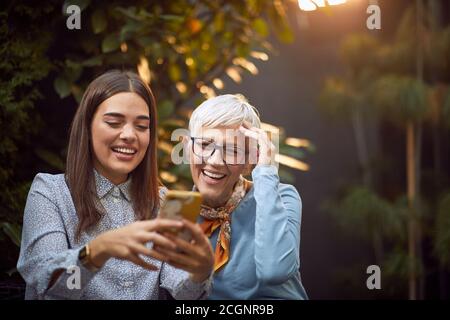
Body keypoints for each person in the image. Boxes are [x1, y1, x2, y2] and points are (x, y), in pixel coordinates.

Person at [17, 70, 214, 300]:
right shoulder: (50, 193)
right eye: (113, 122)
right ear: (87, 127)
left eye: (141, 126)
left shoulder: (162, 202)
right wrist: (97, 251)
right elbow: (52, 288)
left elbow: (182, 293)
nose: (130, 135)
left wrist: (199, 274)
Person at [186, 94, 308, 299]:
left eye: (233, 150)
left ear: (249, 162)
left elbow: (274, 270)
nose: (215, 161)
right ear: (188, 149)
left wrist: (266, 172)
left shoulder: (282, 197)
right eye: (205, 144)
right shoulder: (180, 210)